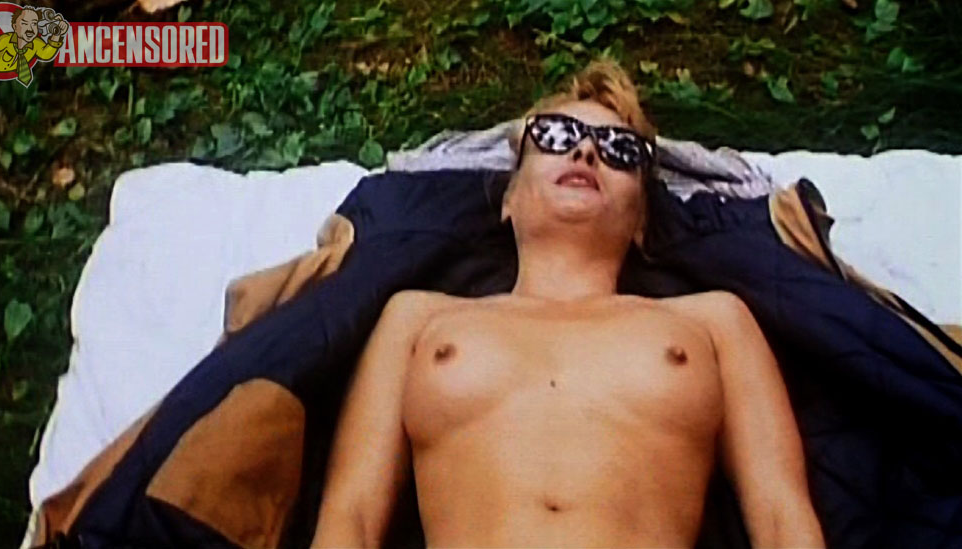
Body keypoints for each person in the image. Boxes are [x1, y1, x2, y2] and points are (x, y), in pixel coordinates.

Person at [310, 58, 825, 548]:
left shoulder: (714, 321)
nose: (586, 152)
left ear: (642, 220)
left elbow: (781, 517)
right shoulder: (418, 318)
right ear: (509, 199)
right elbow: (351, 516)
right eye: (556, 137)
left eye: (620, 149)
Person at [0, 6, 68, 86]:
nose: (30, 29)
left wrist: (57, 34)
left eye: (34, 24)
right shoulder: (7, 39)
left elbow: (46, 54)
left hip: (14, 82)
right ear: (15, 27)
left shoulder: (36, 43)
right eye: (24, 24)